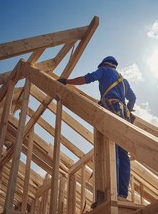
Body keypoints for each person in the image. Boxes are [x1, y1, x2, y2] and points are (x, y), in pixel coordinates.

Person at [58, 56, 136, 201]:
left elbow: (88, 78)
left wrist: (67, 82)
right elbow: (133, 98)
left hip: (110, 112)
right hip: (123, 116)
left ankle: (113, 192)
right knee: (123, 154)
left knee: (113, 151)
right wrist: (129, 110)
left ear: (105, 64)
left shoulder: (104, 70)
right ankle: (122, 193)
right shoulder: (124, 80)